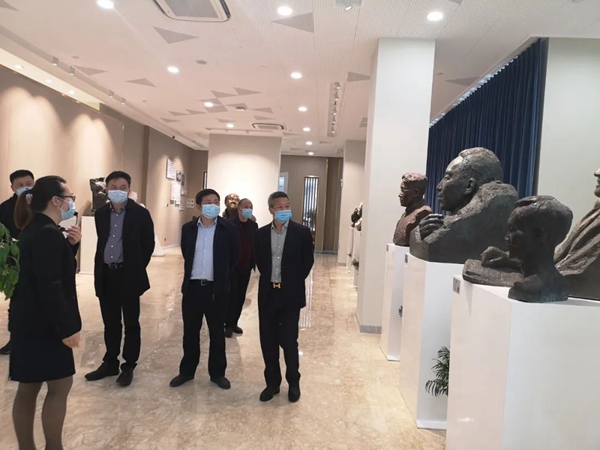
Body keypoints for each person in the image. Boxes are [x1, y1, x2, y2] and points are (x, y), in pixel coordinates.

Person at [9, 176, 82, 450]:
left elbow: (46, 271)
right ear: (56, 201)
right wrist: (67, 329)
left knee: (28, 388)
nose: (72, 202)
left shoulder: (35, 228)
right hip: (45, 325)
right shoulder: (47, 233)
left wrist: (70, 247)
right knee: (60, 386)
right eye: (70, 197)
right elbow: (51, 286)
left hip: (27, 322)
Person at [85, 171, 155, 387]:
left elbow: (148, 244)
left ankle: (129, 365)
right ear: (107, 189)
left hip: (129, 275)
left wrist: (135, 268)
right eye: (113, 187)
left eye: (122, 187)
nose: (118, 191)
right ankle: (110, 362)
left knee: (131, 323)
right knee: (110, 322)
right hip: (106, 274)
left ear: (129, 188)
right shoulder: (101, 214)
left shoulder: (140, 213)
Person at [170, 189, 239, 389]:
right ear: (199, 207)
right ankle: (187, 371)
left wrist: (220, 277)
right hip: (192, 288)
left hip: (216, 289)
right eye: (208, 202)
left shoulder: (229, 229)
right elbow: (187, 253)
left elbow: (234, 257)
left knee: (217, 333)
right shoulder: (189, 229)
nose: (213, 205)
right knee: (190, 332)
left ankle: (217, 373)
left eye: (216, 201)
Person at [254, 191, 314, 403]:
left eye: (287, 206)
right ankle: (272, 383)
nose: (284, 210)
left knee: (289, 341)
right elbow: (260, 261)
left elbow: (307, 262)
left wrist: (292, 281)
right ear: (271, 210)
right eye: (280, 207)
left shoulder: (302, 232)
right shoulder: (261, 234)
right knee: (268, 341)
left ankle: (293, 383)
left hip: (290, 295)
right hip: (268, 293)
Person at [0, 170, 35, 356]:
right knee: (16, 303)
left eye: (29, 184)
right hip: (15, 262)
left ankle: (37, 339)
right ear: (12, 188)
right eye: (20, 185)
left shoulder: (42, 204)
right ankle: (15, 339)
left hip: (39, 259)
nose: (25, 188)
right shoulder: (5, 208)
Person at [225, 198, 258, 338]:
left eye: (251, 206)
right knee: (231, 296)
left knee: (240, 296)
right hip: (233, 267)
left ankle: (234, 322)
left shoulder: (253, 225)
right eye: (246, 206)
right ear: (239, 208)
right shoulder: (230, 224)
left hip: (246, 266)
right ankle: (227, 324)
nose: (248, 209)